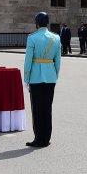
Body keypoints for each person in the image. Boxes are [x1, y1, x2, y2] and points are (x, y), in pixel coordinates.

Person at [23, 12, 61, 148]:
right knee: (47, 108)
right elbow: (58, 60)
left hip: (36, 77)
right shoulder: (56, 38)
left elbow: (28, 60)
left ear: (37, 23)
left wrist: (26, 78)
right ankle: (46, 138)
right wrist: (55, 75)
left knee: (37, 109)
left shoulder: (32, 38)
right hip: (50, 77)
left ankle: (39, 139)